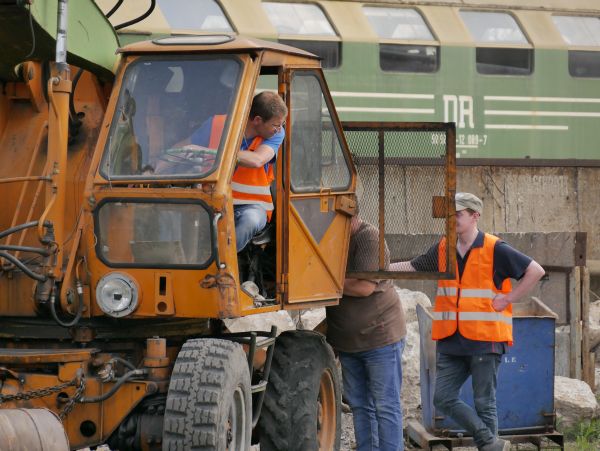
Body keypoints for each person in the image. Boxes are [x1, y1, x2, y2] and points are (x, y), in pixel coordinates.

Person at [390, 192, 545, 451]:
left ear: (475, 216)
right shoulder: (442, 247)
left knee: (485, 402)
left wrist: (508, 299)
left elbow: (535, 270)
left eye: (458, 215)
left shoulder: (495, 248)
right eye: (450, 215)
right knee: (442, 397)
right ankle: (491, 442)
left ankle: (489, 445)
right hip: (452, 339)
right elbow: (413, 266)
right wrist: (381, 267)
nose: (453, 220)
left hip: (485, 339)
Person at [326, 212, 407, 451]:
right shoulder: (334, 240)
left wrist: (324, 282)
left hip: (379, 338)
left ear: (351, 217)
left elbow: (364, 287)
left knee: (385, 405)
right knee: (361, 405)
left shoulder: (368, 238)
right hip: (349, 342)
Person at [181, 91, 287, 252]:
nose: (279, 129)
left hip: (252, 205)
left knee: (249, 221)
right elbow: (183, 148)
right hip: (209, 200)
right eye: (276, 124)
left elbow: (257, 160)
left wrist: (208, 152)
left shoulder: (275, 135)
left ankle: (222, 264)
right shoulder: (216, 124)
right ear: (258, 120)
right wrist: (150, 170)